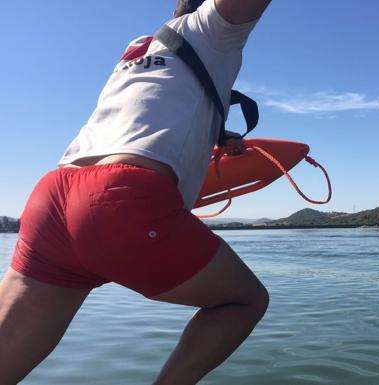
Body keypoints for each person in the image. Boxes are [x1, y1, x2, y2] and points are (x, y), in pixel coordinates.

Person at [0, 0, 271, 384]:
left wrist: (217, 134)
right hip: (118, 198)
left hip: (54, 195)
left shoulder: (140, 46)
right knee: (245, 300)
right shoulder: (213, 27)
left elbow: (146, 109)